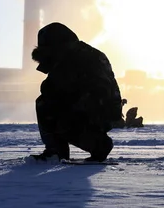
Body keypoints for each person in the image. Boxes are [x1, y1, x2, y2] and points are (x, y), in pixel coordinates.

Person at [29, 22, 123, 163]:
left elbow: (50, 90)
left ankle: (60, 151)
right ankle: (96, 142)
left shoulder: (71, 60)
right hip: (105, 112)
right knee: (56, 105)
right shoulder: (87, 54)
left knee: (45, 105)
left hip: (92, 112)